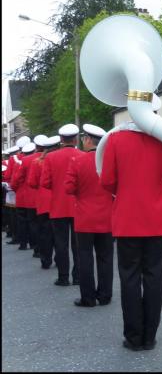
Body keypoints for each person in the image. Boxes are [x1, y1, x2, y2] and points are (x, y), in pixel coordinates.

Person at [100, 115, 162, 351]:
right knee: (155, 278)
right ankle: (149, 336)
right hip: (156, 219)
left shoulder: (115, 139)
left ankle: (133, 337)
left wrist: (124, 193)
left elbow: (107, 180)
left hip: (128, 218)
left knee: (129, 277)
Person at [64, 124, 114, 307]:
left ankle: (88, 297)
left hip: (84, 218)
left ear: (87, 140)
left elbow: (68, 188)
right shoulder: (109, 161)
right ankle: (105, 295)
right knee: (106, 257)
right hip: (107, 217)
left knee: (84, 257)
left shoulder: (78, 161)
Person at [41, 124, 83, 286]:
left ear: (60, 140)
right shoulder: (82, 155)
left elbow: (45, 183)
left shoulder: (50, 158)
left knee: (61, 243)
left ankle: (63, 276)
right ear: (75, 139)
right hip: (77, 206)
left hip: (58, 206)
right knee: (78, 244)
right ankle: (78, 276)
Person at [29, 135, 59, 269]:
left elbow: (32, 182)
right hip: (59, 201)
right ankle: (60, 260)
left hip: (43, 201)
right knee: (60, 234)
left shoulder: (37, 161)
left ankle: (45, 260)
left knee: (44, 233)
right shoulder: (63, 158)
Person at [11, 141, 38, 252]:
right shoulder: (41, 158)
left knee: (22, 221)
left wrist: (15, 188)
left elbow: (15, 180)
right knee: (35, 223)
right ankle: (34, 244)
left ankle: (23, 243)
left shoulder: (20, 161)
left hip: (23, 196)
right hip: (37, 196)